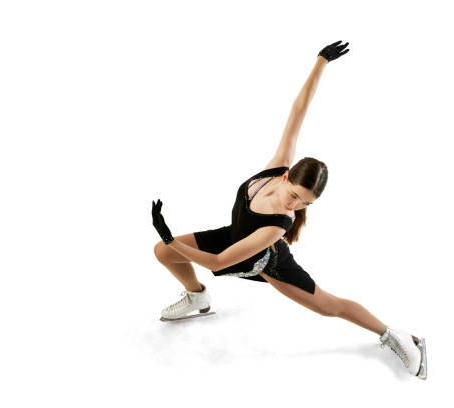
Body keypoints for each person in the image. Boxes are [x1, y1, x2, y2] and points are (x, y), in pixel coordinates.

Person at [152, 41, 427, 380]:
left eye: (305, 205)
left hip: (265, 261)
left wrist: (171, 238)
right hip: (234, 237)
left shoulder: (279, 225)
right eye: (295, 195)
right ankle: (197, 298)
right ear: (286, 176)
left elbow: (220, 262)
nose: (295, 207)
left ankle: (397, 335)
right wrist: (321, 62)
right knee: (162, 253)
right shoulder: (276, 166)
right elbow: (299, 110)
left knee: (329, 306)